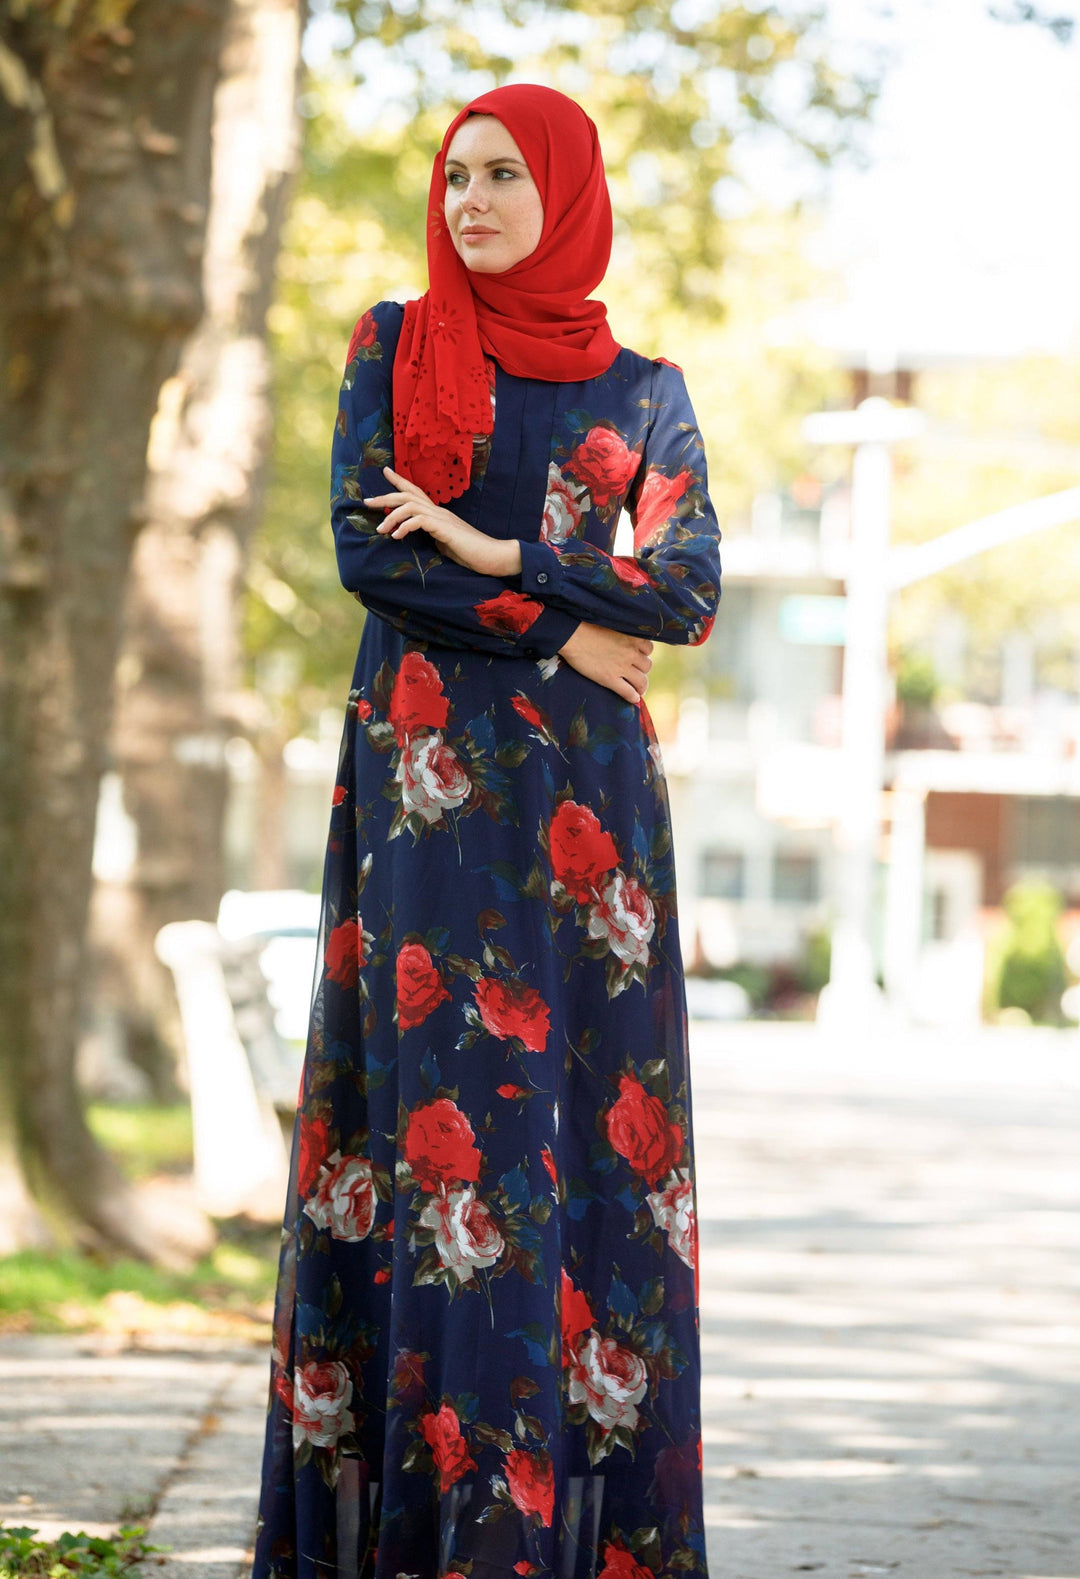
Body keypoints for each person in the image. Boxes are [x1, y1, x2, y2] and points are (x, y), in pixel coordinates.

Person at [252, 82, 721, 1579]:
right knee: (440, 1144)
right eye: (457, 177)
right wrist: (558, 634)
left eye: (507, 176)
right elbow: (364, 558)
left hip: (589, 821)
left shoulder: (645, 390)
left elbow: (692, 591)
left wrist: (501, 548)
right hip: (428, 800)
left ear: (568, 192)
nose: (472, 202)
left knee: (580, 1144)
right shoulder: (398, 346)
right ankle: (420, 1534)